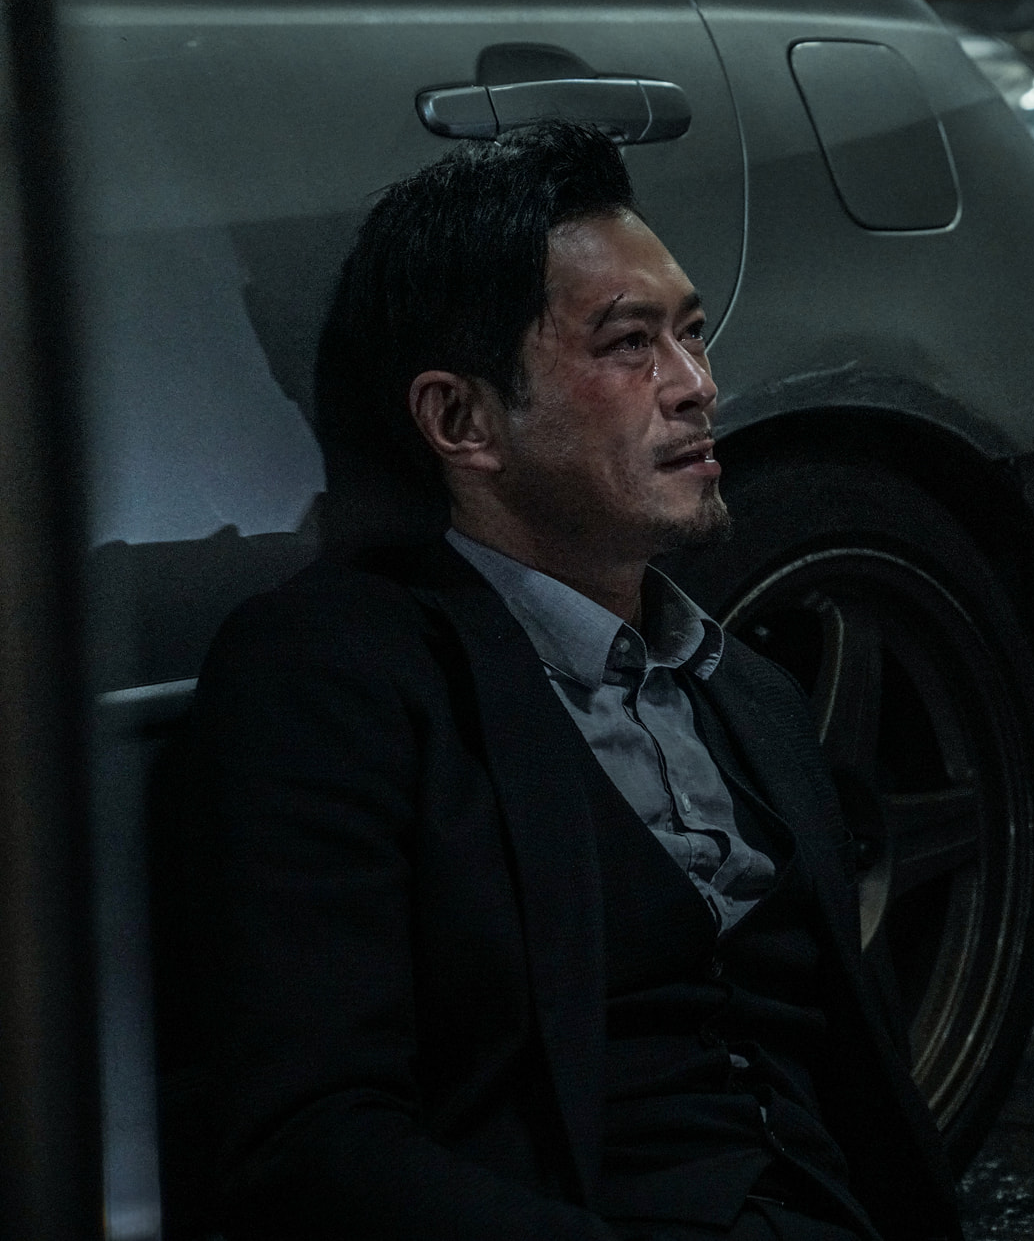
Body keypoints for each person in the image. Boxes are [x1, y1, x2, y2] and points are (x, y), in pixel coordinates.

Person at [165, 122, 960, 1241]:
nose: (697, 386)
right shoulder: (330, 679)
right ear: (461, 421)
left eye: (691, 334)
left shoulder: (751, 695)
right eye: (629, 345)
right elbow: (311, 1144)